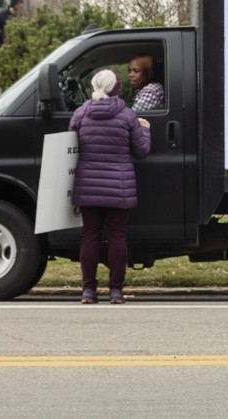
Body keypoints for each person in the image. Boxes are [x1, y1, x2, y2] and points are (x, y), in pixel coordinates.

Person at [68, 69, 151, 304]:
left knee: (90, 236)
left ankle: (88, 291)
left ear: (94, 87)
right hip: (119, 187)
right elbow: (141, 151)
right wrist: (145, 129)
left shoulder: (81, 114)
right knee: (117, 237)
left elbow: (70, 147)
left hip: (88, 186)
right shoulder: (127, 117)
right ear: (117, 88)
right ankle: (115, 291)